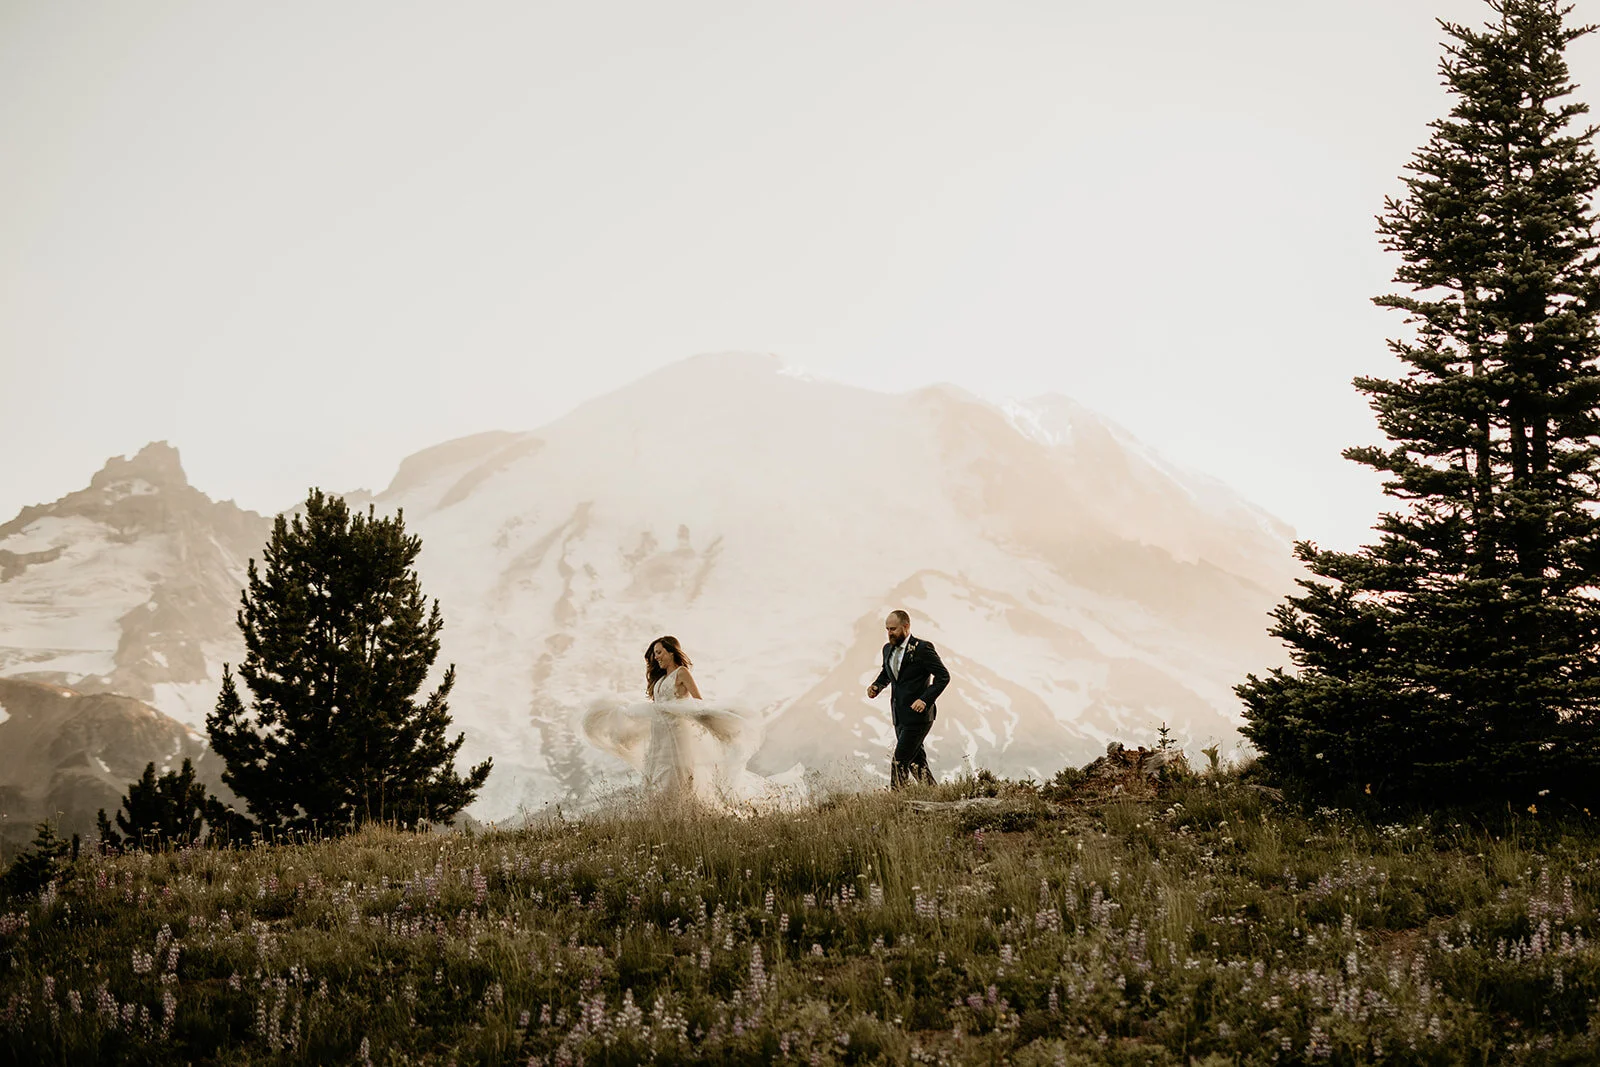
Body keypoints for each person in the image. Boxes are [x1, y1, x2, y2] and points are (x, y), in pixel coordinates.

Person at [582, 635, 792, 810]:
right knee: (657, 774)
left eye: (659, 652)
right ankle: (665, 815)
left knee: (676, 773)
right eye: (654, 654)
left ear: (671, 651)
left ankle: (683, 811)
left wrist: (713, 722)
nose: (656, 658)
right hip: (660, 735)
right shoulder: (660, 679)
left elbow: (698, 701)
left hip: (677, 734)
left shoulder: (682, 673)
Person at [866, 610, 950, 788]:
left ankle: (896, 805)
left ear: (906, 626)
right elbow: (887, 673)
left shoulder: (922, 648)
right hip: (899, 716)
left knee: (899, 763)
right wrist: (877, 686)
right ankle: (934, 795)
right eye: (887, 629)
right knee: (917, 765)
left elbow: (943, 676)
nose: (889, 633)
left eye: (893, 629)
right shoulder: (887, 649)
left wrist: (925, 699)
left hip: (919, 717)